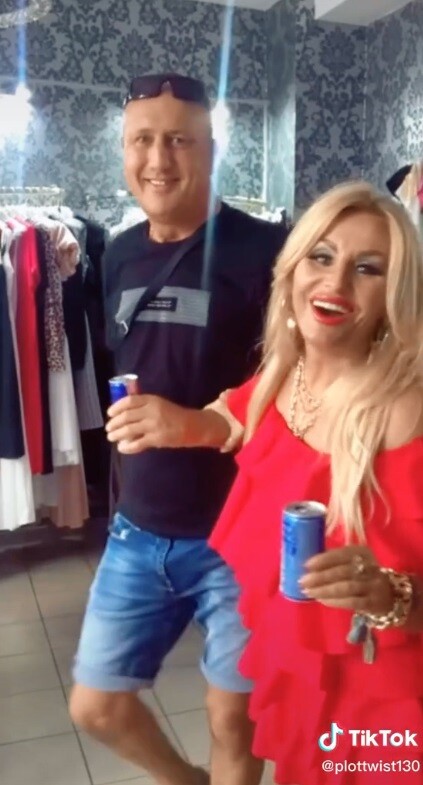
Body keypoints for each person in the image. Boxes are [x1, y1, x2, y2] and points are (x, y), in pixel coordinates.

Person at [110, 181, 423, 784]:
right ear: (293, 269)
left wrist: (391, 596)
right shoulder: (286, 373)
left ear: (395, 294)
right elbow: (237, 413)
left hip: (384, 703)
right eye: (321, 257)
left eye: (368, 269)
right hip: (308, 677)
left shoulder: (406, 411)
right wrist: (181, 423)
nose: (335, 283)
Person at [69, 72, 288, 785]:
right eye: (141, 140)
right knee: (97, 705)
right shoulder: (118, 252)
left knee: (233, 719)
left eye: (178, 140)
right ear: (123, 151)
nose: (157, 159)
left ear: (211, 150)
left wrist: (197, 424)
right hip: (139, 527)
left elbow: (303, 390)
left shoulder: (271, 250)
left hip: (240, 533)